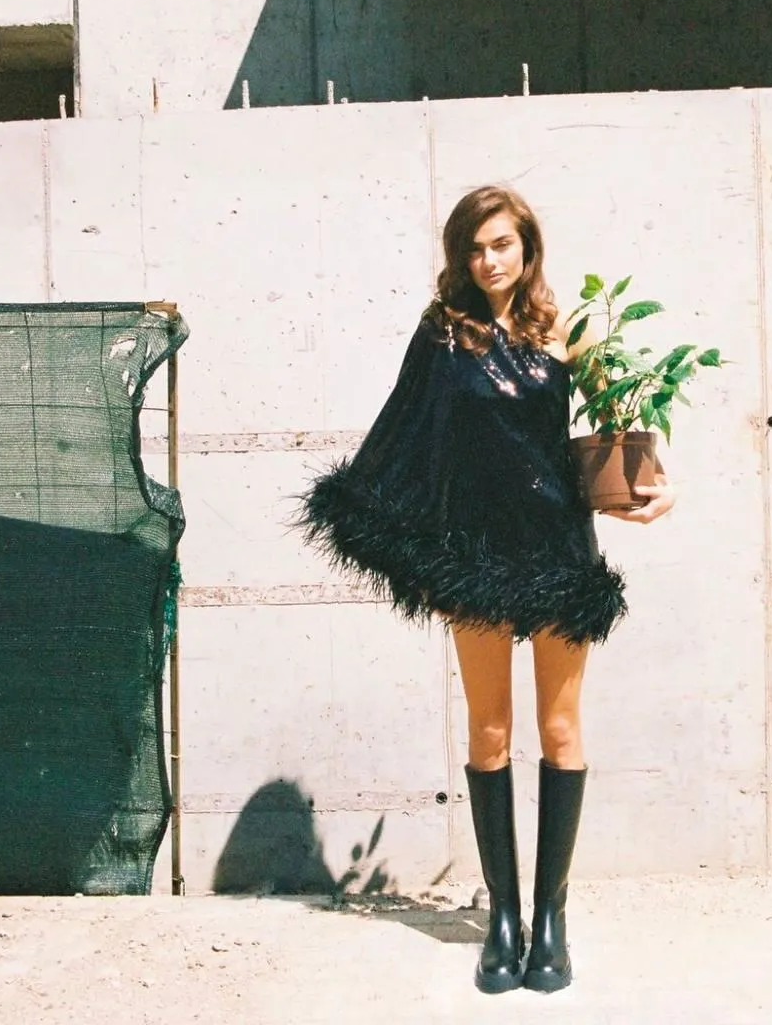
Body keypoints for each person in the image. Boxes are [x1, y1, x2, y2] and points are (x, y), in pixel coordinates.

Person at [299, 185, 674, 994]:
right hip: (472, 554)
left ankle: (552, 917)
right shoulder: (443, 336)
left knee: (560, 727)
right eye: (472, 248)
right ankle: (501, 919)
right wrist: (388, 524)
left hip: (557, 550)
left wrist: (655, 490)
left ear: (527, 247)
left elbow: (618, 429)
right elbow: (401, 428)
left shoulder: (570, 330)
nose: (486, 260)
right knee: (491, 730)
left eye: (500, 244)